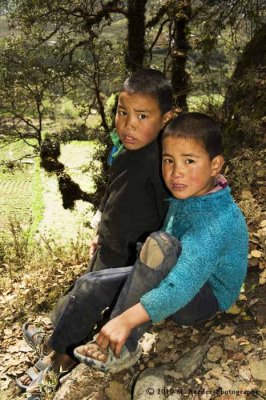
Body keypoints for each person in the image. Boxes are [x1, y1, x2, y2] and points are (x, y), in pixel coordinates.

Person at [16, 68, 173, 394]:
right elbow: (114, 194)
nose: (129, 124)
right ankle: (60, 345)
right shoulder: (125, 151)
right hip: (109, 245)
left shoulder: (161, 161)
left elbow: (170, 216)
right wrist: (100, 230)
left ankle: (55, 366)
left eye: (142, 116)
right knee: (78, 297)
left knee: (88, 295)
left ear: (166, 119)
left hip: (131, 254)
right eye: (122, 112)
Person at [72, 112, 248, 372]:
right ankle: (60, 349)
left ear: (215, 165)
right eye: (168, 160)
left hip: (203, 299)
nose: (176, 172)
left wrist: (126, 320)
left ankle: (124, 347)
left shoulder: (217, 222)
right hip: (179, 275)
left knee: (159, 244)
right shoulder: (193, 194)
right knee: (92, 282)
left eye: (189, 161)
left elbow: (180, 286)